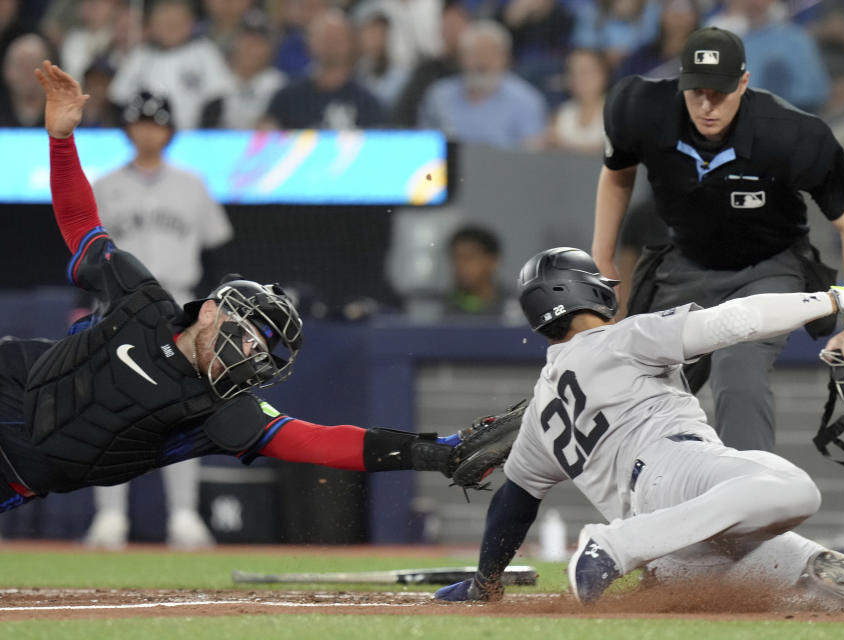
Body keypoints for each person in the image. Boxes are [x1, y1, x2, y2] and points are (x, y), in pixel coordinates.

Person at [0, 61, 511, 519]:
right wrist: (62, 141)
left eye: (261, 351)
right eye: (249, 335)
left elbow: (321, 442)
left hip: (14, 471)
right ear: (212, 313)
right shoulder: (140, 298)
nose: (250, 352)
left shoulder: (219, 410)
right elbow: (81, 223)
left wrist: (438, 451)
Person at [434, 247, 844, 610]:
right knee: (793, 490)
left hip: (676, 547)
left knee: (812, 589)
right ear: (586, 291)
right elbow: (737, 319)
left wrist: (485, 581)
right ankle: (613, 546)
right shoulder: (623, 337)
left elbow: (513, 503)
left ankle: (828, 571)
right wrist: (838, 298)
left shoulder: (544, 407)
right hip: (674, 472)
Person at [591, 26, 844, 452]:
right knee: (642, 382)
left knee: (737, 366)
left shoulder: (793, 134)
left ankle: (752, 502)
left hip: (768, 267)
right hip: (685, 263)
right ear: (680, 82)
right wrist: (602, 258)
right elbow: (618, 174)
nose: (707, 106)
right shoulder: (638, 108)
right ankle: (650, 501)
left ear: (744, 83)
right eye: (696, 92)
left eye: (720, 93)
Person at [82, 90, 233, 549]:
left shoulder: (192, 183)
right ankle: (110, 518)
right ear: (128, 129)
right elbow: (86, 253)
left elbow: (218, 244)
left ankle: (184, 517)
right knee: (108, 411)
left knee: (184, 411)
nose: (148, 131)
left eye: (157, 123)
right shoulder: (104, 183)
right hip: (118, 302)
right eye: (140, 123)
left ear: (169, 129)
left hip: (177, 300)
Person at [417, 19, 548, 150]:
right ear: (461, 58)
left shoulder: (526, 101)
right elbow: (424, 147)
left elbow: (532, 158)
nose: (482, 62)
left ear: (506, 58)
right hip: (448, 168)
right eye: (474, 54)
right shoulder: (439, 96)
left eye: (490, 54)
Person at [108, 0, 232, 130]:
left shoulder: (204, 52)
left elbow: (216, 99)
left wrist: (202, 135)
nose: (171, 29)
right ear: (152, 25)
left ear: (191, 23)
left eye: (176, 23)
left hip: (191, 137)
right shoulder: (140, 55)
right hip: (145, 141)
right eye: (165, 23)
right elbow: (119, 100)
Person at [261, 7, 384, 130]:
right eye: (325, 38)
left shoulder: (368, 103)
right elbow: (265, 137)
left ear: (351, 43)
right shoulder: (286, 98)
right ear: (310, 42)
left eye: (337, 39)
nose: (331, 45)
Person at [445, 224, 515, 318]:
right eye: (455, 258)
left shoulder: (518, 306)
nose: (460, 265)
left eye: (468, 257)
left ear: (492, 261)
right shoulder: (442, 308)